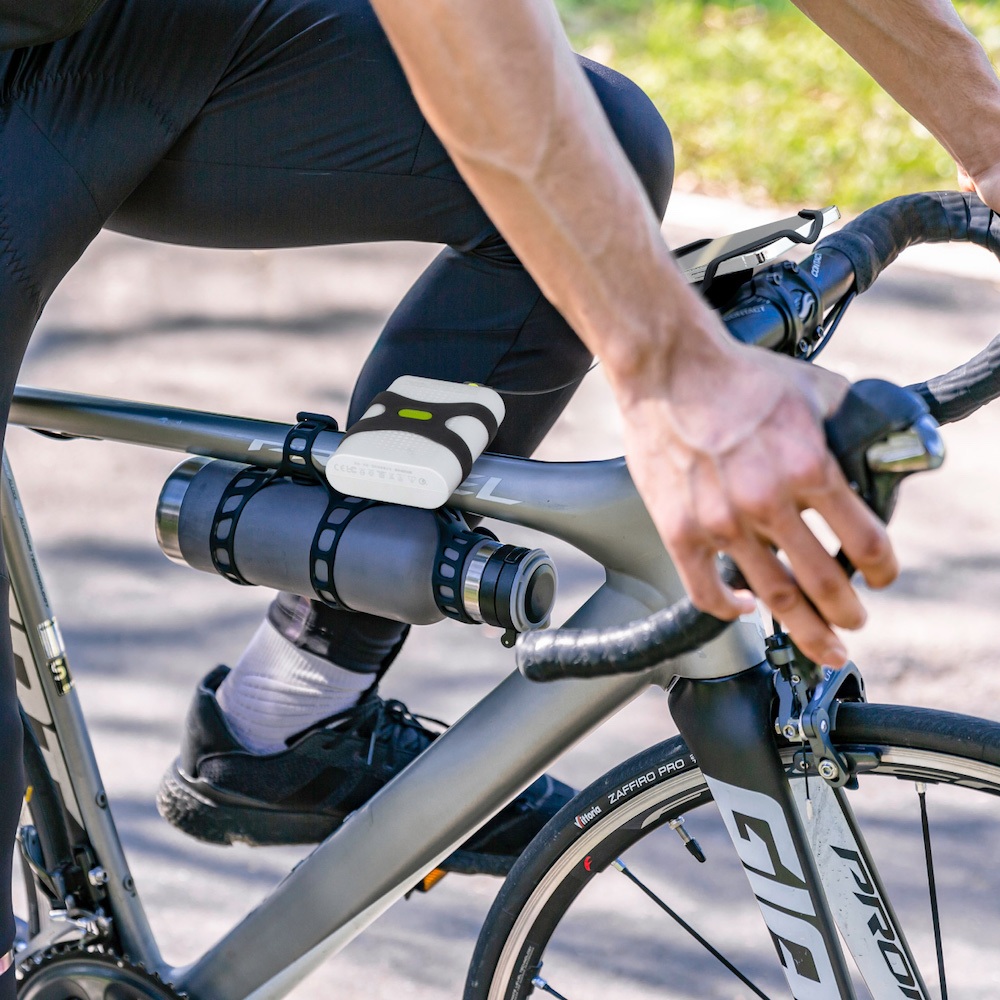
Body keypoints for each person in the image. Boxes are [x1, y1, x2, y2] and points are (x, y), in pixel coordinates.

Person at [2, 0, 999, 992]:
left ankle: (294, 712)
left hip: (148, 31)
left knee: (605, 141)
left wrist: (991, 142)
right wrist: (670, 366)